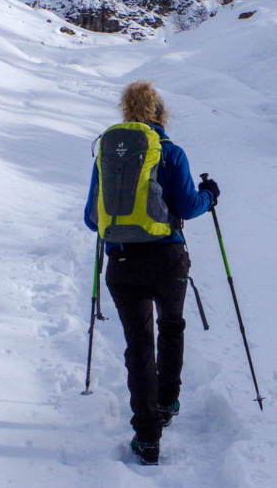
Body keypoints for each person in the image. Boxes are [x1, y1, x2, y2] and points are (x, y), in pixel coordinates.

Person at [84, 80, 219, 466]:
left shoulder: (108, 156)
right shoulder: (170, 152)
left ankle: (146, 437)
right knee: (172, 326)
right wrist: (210, 194)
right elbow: (189, 206)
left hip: (122, 260)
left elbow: (92, 219)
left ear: (125, 113)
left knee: (138, 343)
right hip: (167, 259)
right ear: (161, 114)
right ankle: (167, 402)